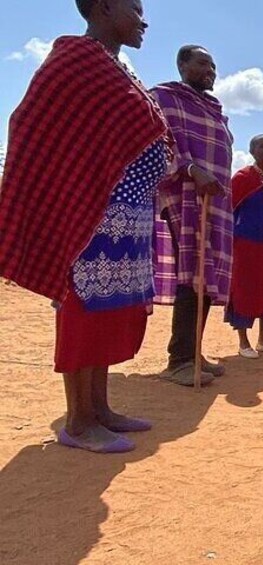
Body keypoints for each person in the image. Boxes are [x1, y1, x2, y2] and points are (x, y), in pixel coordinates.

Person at [0, 0, 169, 452]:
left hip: (128, 217)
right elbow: (29, 124)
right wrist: (69, 189)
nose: (143, 19)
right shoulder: (76, 60)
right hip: (92, 214)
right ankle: (77, 422)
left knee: (111, 311)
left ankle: (100, 407)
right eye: (134, 8)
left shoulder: (118, 68)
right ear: (103, 6)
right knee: (83, 310)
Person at [151, 45, 234, 387]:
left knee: (208, 279)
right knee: (192, 276)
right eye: (202, 63)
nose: (210, 70)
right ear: (182, 64)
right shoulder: (165, 99)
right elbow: (159, 142)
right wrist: (188, 168)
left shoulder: (214, 109)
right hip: (186, 196)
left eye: (213, 65)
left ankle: (194, 352)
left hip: (216, 203)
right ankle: (180, 359)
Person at [226, 135, 263, 359]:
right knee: (245, 289)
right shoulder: (241, 178)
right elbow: (229, 211)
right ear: (252, 151)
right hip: (245, 244)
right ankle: (243, 342)